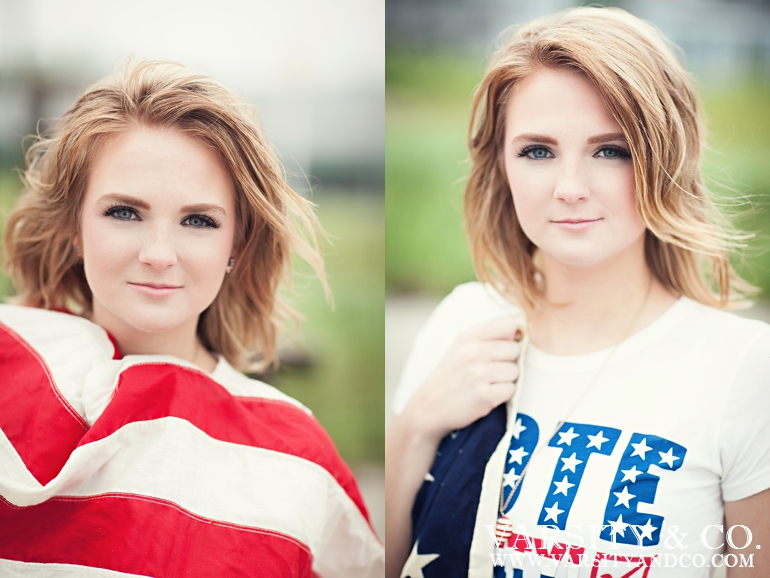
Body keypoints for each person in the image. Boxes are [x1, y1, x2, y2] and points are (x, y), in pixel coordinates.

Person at [386, 7, 770, 578]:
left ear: (664, 159)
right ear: (502, 165)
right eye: (537, 151)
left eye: (610, 150)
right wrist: (418, 424)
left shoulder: (741, 366)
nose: (570, 189)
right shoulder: (463, 321)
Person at [0, 59, 383, 577]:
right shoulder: (9, 365)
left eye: (198, 220)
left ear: (237, 246)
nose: (159, 254)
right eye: (124, 212)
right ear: (73, 226)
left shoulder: (296, 454)